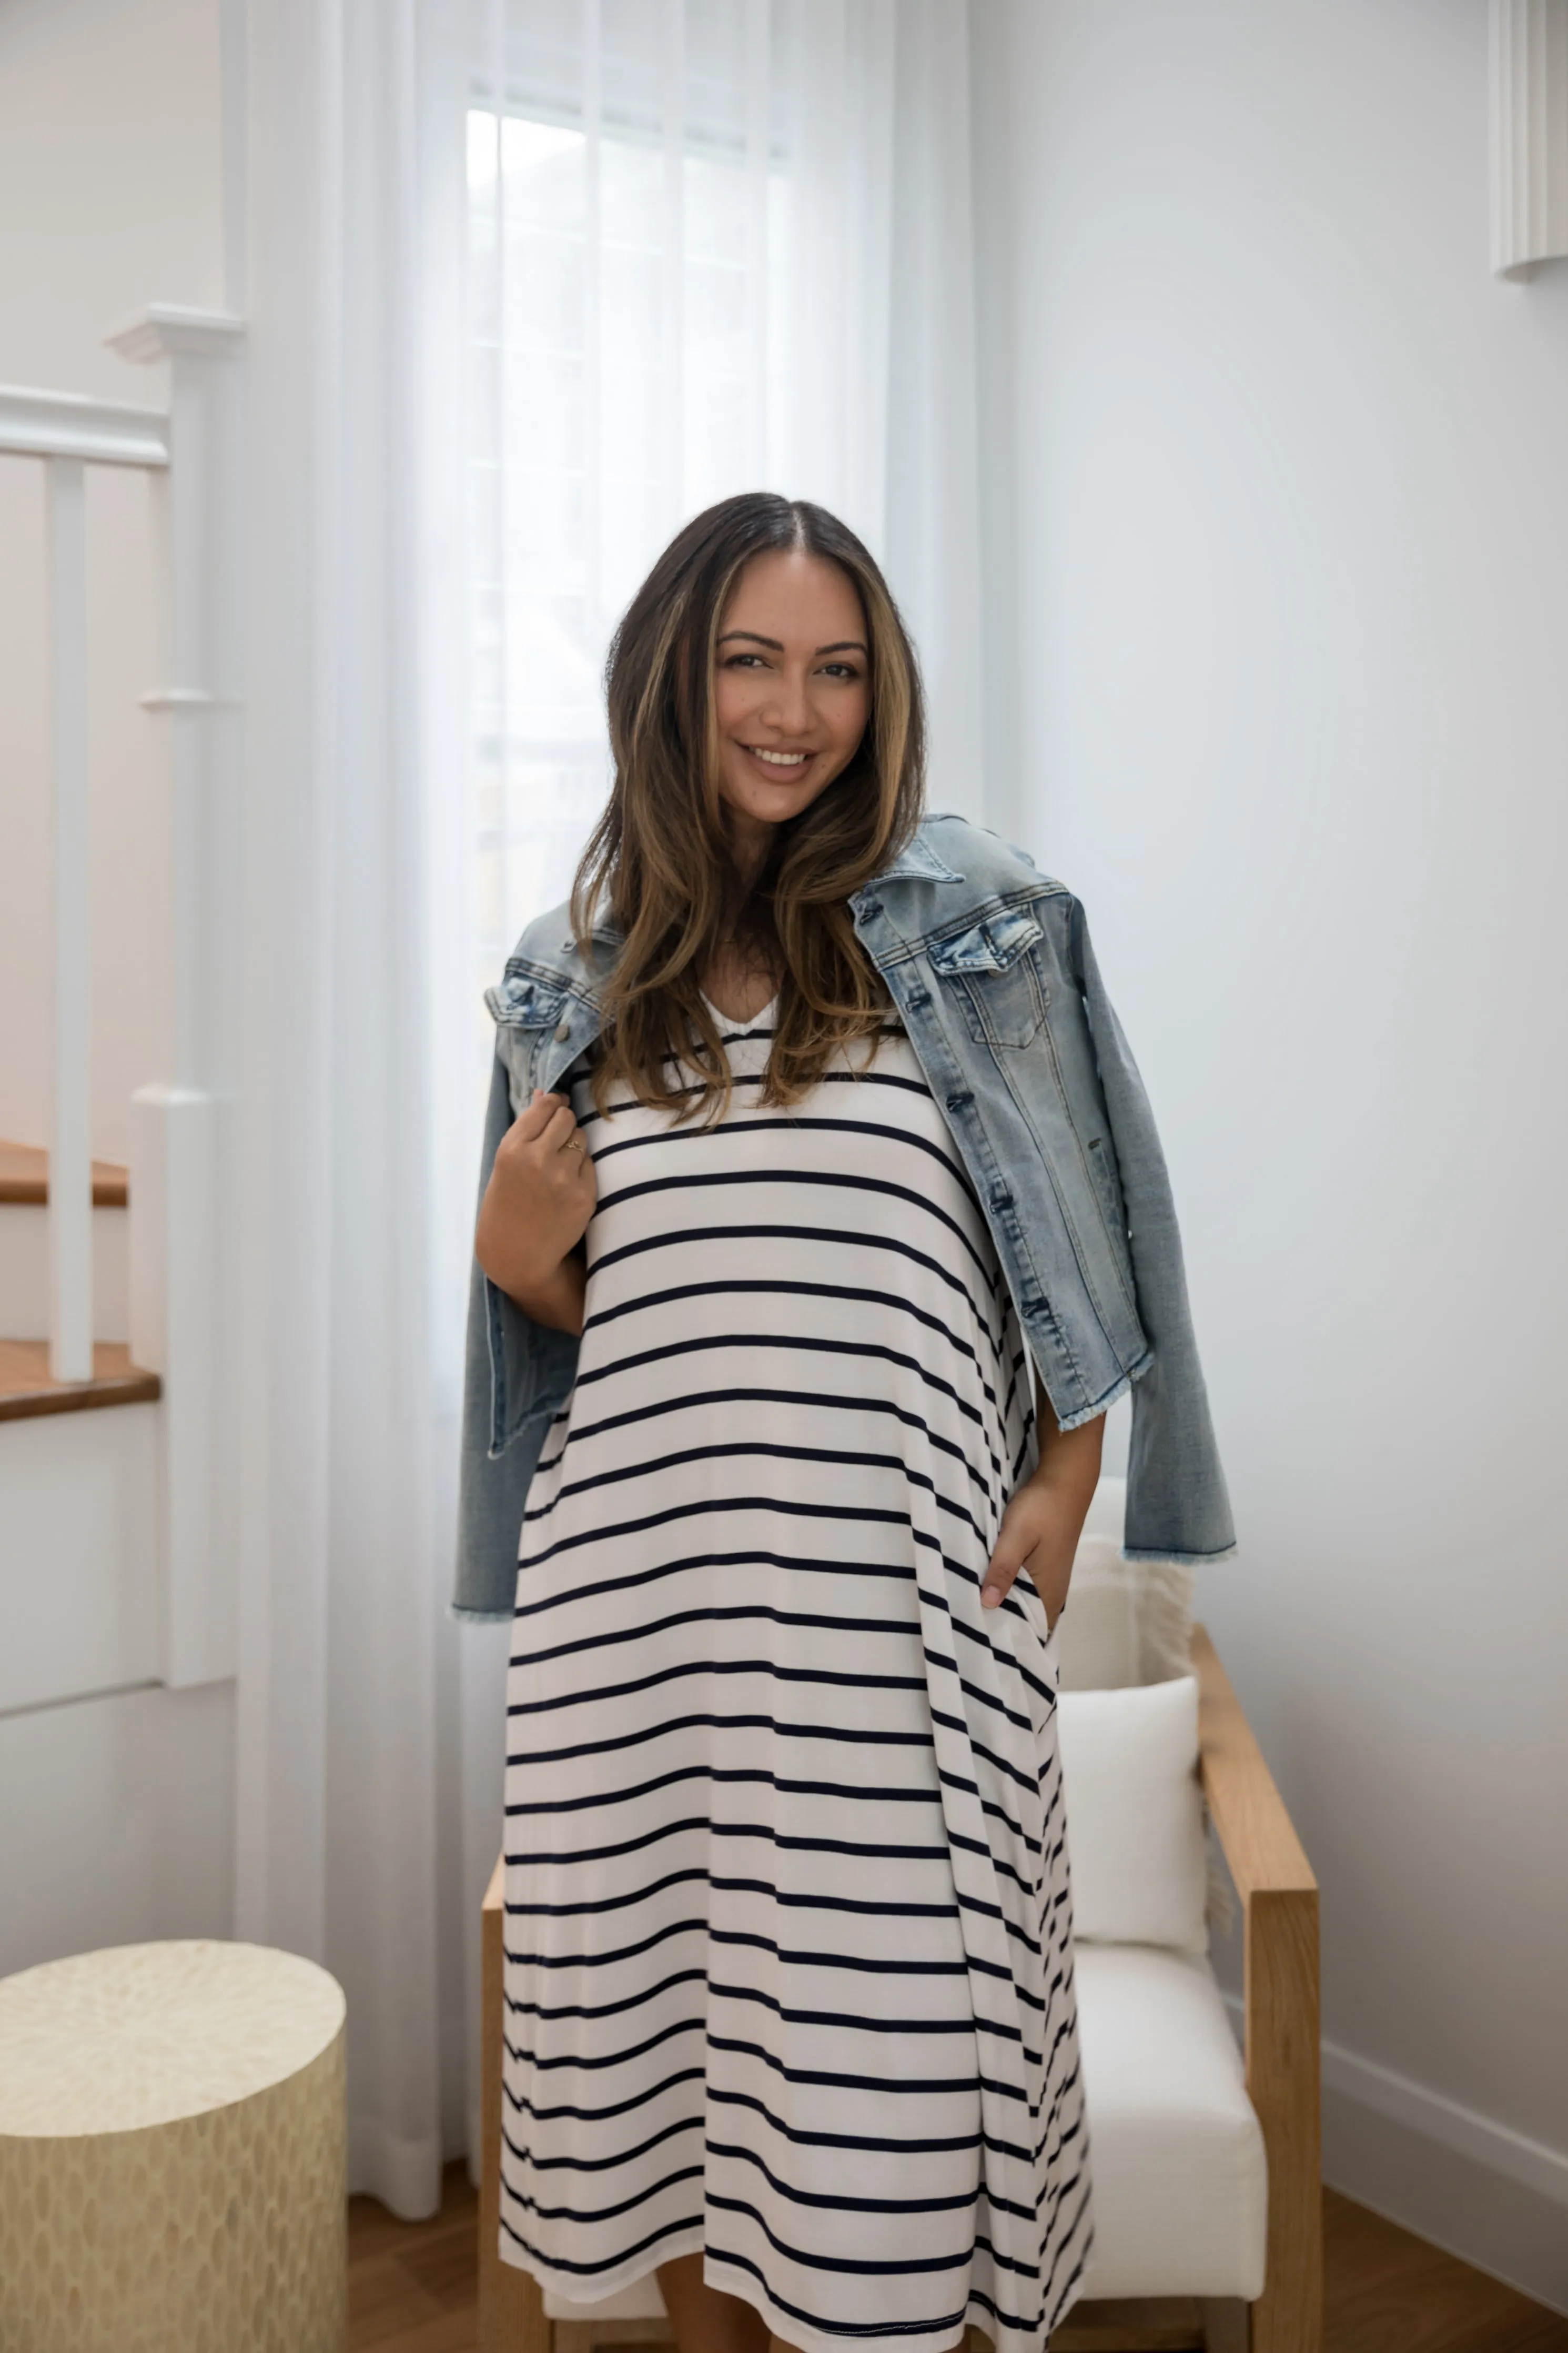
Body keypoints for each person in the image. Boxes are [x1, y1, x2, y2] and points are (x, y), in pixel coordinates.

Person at [455, 492, 1235, 2353]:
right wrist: (512, 1256)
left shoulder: (983, 932)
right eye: (747, 661)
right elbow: (598, 1333)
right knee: (681, 2144)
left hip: (892, 1650)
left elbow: (1098, 1223)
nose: (791, 712)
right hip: (633, 1640)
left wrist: (1072, 1465)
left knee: (897, 2156)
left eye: (835, 671)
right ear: (671, 677)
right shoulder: (568, 978)